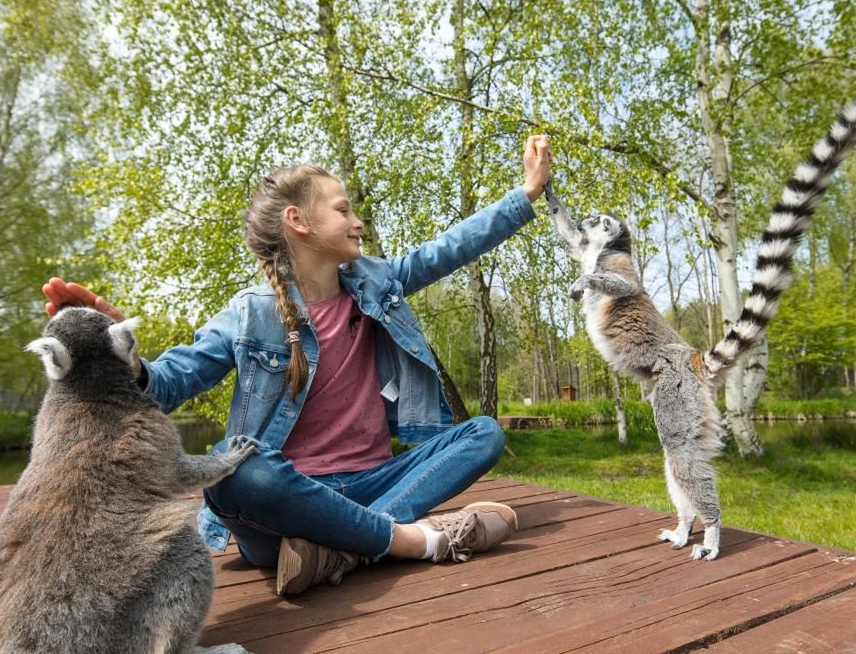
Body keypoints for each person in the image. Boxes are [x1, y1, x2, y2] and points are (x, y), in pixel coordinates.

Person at [42, 135, 552, 596]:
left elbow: (451, 248)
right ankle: (403, 538)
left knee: (483, 434)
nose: (357, 222)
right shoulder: (249, 314)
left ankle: (340, 548)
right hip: (288, 507)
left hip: (374, 481)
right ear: (299, 221)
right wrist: (116, 355)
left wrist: (525, 194)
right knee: (234, 468)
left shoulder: (378, 284)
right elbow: (171, 382)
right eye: (342, 209)